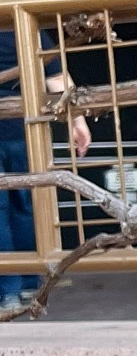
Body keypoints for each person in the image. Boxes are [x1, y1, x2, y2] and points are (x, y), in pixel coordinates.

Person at [0, 24, 90, 304]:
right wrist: (78, 121)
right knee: (28, 205)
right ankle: (29, 280)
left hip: (20, 130)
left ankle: (9, 290)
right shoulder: (24, 23)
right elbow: (57, 79)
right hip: (27, 131)